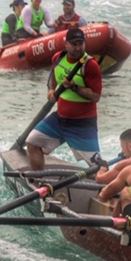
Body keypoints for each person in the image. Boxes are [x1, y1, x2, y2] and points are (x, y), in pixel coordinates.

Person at [25, 27, 102, 171]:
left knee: (98, 166)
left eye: (81, 43)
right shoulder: (58, 58)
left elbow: (95, 96)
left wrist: (74, 87)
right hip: (60, 120)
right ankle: (38, 181)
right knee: (32, 142)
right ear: (66, 44)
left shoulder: (90, 65)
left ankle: (110, 191)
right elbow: (52, 81)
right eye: (74, 44)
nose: (78, 47)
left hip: (82, 125)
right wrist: (51, 92)